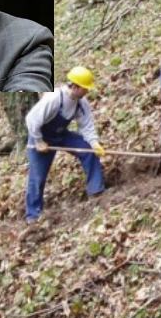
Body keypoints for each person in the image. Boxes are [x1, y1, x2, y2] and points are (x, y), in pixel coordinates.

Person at [24, 67, 106, 223]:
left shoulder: (81, 103)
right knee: (38, 176)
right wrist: (39, 141)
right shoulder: (54, 98)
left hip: (61, 135)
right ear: (75, 86)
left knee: (88, 150)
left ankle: (96, 190)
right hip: (41, 137)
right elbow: (32, 120)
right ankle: (33, 215)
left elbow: (86, 125)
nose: (87, 92)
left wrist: (94, 143)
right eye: (85, 88)